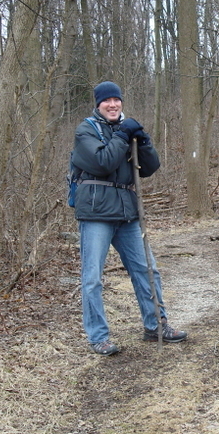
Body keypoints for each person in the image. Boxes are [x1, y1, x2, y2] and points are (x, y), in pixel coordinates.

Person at [71, 81, 187, 356]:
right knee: (92, 278)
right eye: (106, 101)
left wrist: (143, 142)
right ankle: (99, 337)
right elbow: (103, 163)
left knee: (147, 269)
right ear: (98, 104)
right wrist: (123, 135)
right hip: (96, 213)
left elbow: (150, 167)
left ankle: (156, 325)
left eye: (116, 99)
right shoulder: (86, 130)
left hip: (126, 212)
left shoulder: (126, 130)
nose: (112, 105)